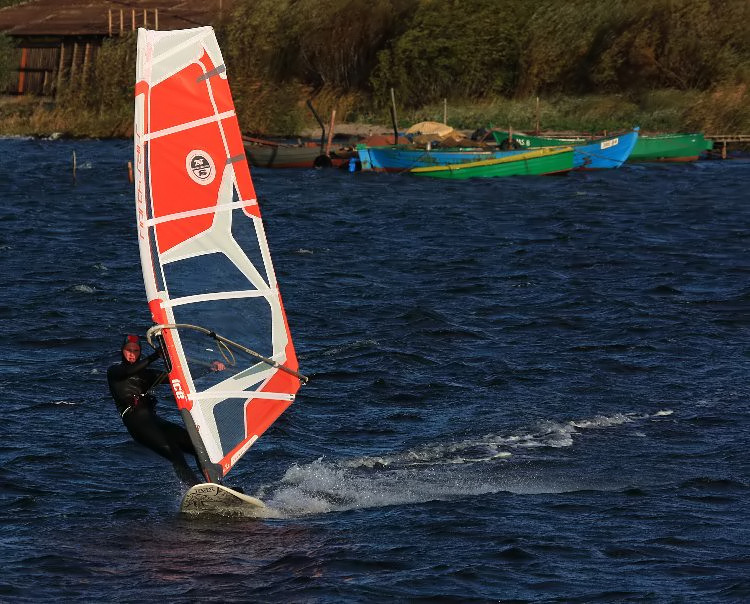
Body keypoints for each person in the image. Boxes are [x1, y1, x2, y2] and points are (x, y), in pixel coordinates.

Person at [107, 334, 210, 487]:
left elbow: (177, 378)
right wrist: (156, 355)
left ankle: (215, 486)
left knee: (197, 445)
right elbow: (129, 372)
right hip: (138, 425)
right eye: (128, 350)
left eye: (136, 351)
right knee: (175, 455)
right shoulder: (115, 371)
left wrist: (209, 368)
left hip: (155, 422)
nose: (132, 354)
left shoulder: (147, 375)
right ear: (122, 351)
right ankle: (197, 489)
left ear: (140, 352)